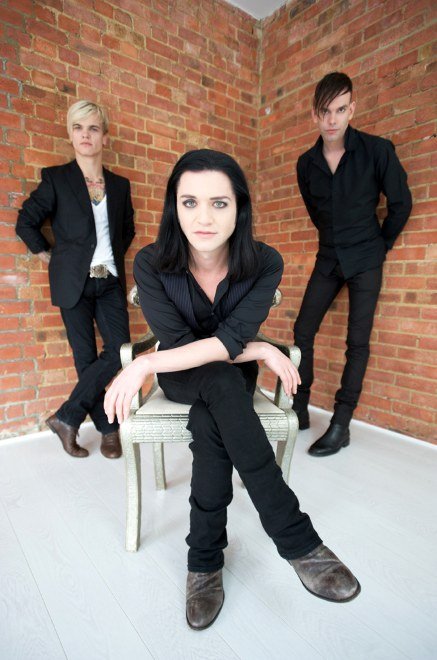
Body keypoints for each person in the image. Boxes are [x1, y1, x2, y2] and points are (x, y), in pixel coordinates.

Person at [104, 149, 360, 630]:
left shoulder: (264, 263)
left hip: (221, 375)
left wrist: (147, 361)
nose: (203, 218)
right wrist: (255, 349)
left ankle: (203, 561)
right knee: (218, 380)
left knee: (213, 409)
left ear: (239, 207)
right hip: (182, 374)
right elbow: (185, 345)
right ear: (174, 207)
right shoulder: (152, 262)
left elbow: (224, 343)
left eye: (219, 203)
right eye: (190, 202)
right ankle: (298, 541)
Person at [293, 72, 412, 457]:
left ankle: (341, 423)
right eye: (325, 111)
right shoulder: (306, 163)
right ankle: (299, 407)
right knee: (302, 330)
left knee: (356, 342)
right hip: (329, 257)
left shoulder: (377, 151)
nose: (332, 120)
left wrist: (380, 246)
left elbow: (401, 204)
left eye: (340, 110)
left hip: (366, 259)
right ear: (315, 114)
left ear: (352, 109)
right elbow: (316, 213)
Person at [16, 100, 135, 459]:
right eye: (78, 128)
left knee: (119, 351)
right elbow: (26, 222)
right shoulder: (57, 179)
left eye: (93, 128)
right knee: (84, 358)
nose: (86, 135)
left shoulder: (120, 185)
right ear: (70, 135)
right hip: (73, 283)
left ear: (104, 136)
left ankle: (66, 417)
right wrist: (51, 257)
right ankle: (108, 429)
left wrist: (110, 256)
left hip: (108, 280)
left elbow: (126, 229)